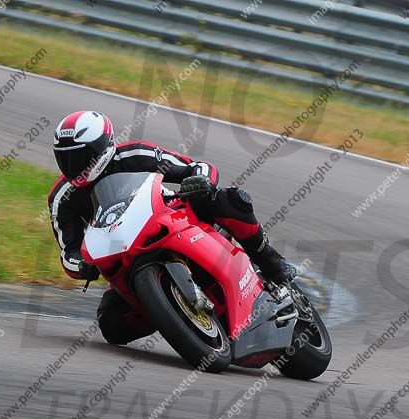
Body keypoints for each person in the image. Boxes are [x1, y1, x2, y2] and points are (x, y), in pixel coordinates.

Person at [48, 110, 296, 344]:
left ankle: (269, 261)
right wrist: (81, 265)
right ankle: (168, 310)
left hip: (170, 217)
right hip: (123, 252)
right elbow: (68, 251)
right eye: (65, 158)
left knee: (229, 200)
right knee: (111, 325)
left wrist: (198, 182)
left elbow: (197, 167)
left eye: (80, 156)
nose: (73, 165)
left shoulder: (135, 154)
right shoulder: (61, 198)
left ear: (104, 145)